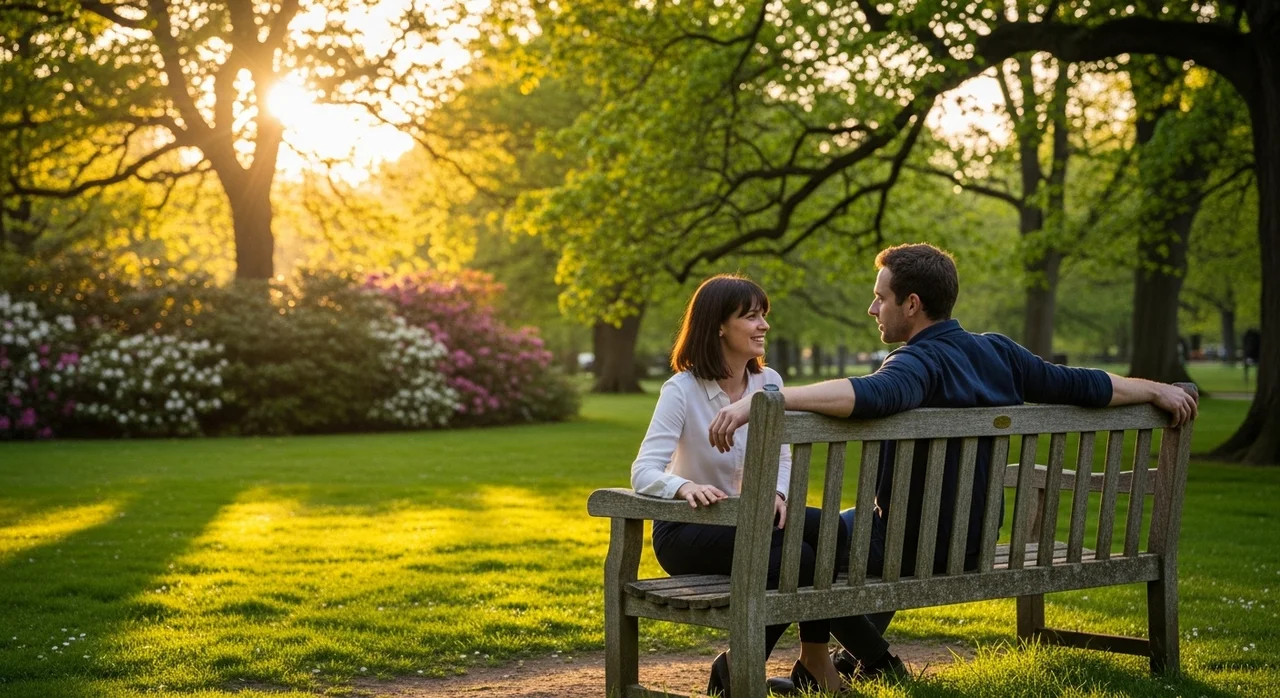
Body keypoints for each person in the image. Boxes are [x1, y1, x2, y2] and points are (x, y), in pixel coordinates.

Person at [708, 243, 1198, 681]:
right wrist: (1156, 389)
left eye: (881, 298)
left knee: (804, 540)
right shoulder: (1000, 353)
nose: (872, 308)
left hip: (910, 546)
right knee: (841, 530)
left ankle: (776, 664)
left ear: (912, 304)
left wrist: (770, 399)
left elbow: (870, 395)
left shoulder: (916, 362)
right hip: (975, 542)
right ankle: (826, 668)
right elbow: (1082, 384)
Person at [631, 274, 892, 696]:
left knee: (825, 536)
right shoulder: (682, 390)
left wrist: (778, 493)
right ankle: (795, 663)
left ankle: (795, 661)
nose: (764, 325)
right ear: (719, 326)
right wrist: (681, 487)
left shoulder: (768, 382)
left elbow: (782, 456)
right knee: (804, 553)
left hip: (752, 520)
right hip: (689, 529)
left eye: (763, 315)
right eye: (751, 317)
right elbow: (643, 470)